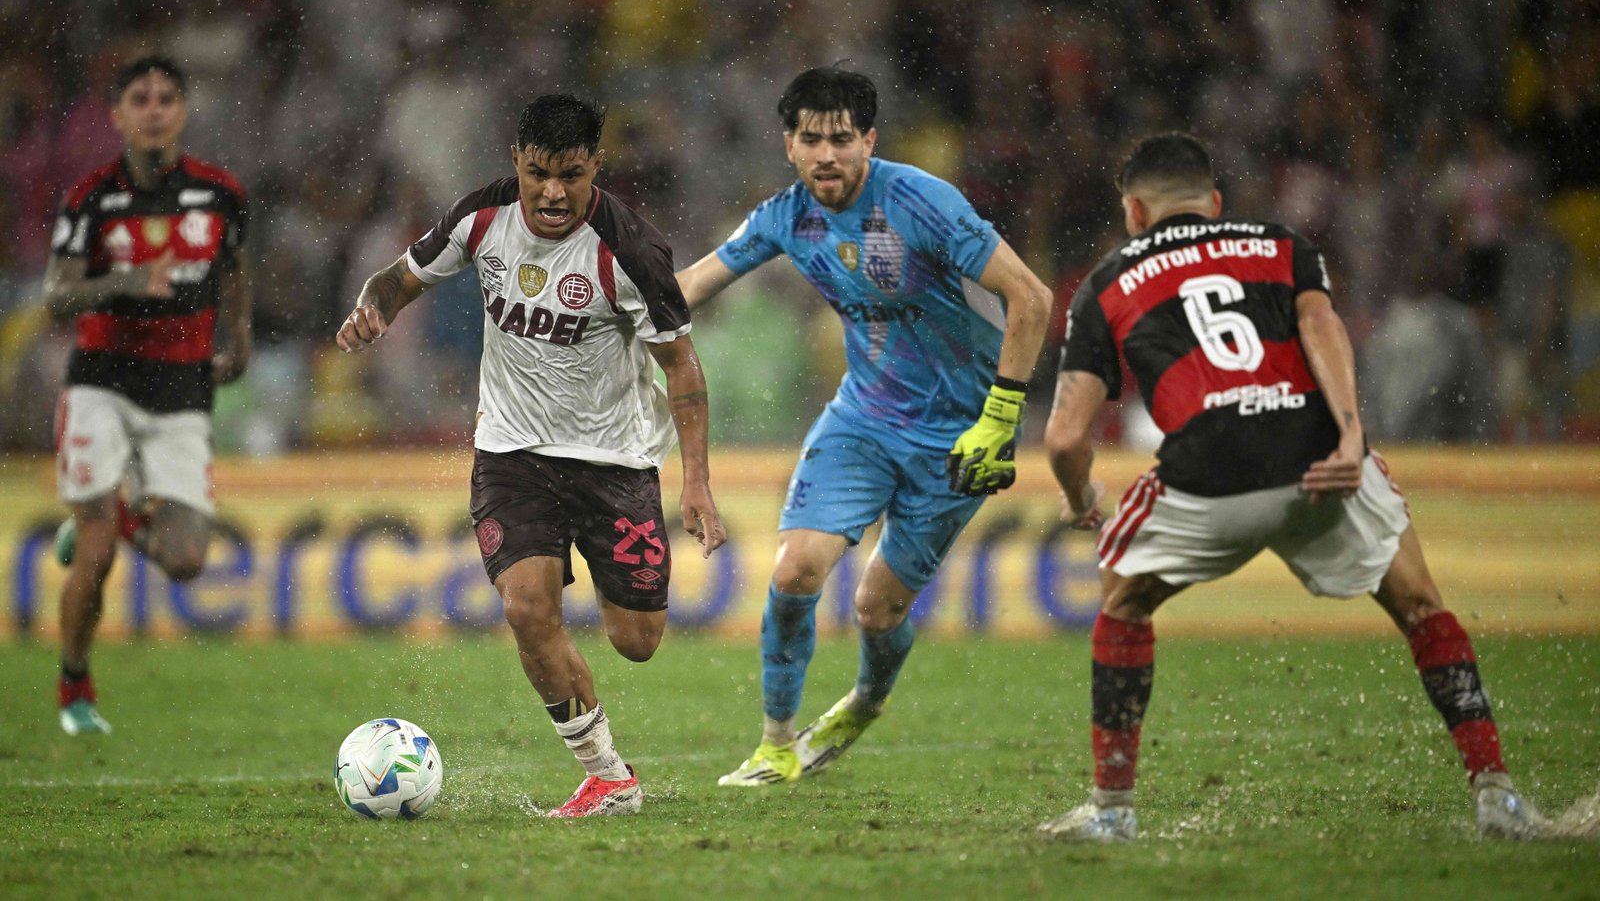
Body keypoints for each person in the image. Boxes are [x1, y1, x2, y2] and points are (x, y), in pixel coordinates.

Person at [1038, 132, 1553, 842]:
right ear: (1215, 205)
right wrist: (1349, 432)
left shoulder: (1105, 281)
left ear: (1133, 212)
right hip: (1318, 457)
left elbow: (1065, 437)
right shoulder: (1281, 245)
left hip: (1209, 473)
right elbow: (1322, 325)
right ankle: (1497, 791)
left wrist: (1076, 495)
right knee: (1420, 602)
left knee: (1123, 602)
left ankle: (1112, 809)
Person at [336, 94, 725, 818]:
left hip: (615, 460)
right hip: (511, 452)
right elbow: (398, 276)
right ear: (516, 160)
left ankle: (606, 747)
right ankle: (609, 776)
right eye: (538, 172)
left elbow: (683, 369)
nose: (552, 192)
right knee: (526, 606)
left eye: (571, 175)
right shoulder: (480, 218)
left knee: (636, 639)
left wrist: (695, 481)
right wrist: (375, 308)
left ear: (597, 168)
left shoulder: (631, 249)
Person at [676, 66, 1053, 786]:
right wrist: (606, 318)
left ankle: (866, 700)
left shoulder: (920, 202)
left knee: (878, 607)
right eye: (810, 138)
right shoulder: (785, 215)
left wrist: (1000, 420)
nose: (825, 155)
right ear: (788, 143)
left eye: (841, 138)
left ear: (869, 140)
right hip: (864, 416)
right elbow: (693, 284)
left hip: (959, 436)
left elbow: (1030, 298)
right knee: (794, 570)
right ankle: (776, 742)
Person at [45, 55, 252, 735]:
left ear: (183, 110)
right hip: (103, 378)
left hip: (183, 384)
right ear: (119, 114)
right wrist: (127, 282)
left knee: (189, 560)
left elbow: (235, 269)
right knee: (98, 550)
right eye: (141, 97)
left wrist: (240, 338)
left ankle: (118, 514)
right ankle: (75, 686)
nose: (155, 108)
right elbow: (57, 295)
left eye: (167, 96)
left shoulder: (220, 193)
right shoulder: (92, 197)